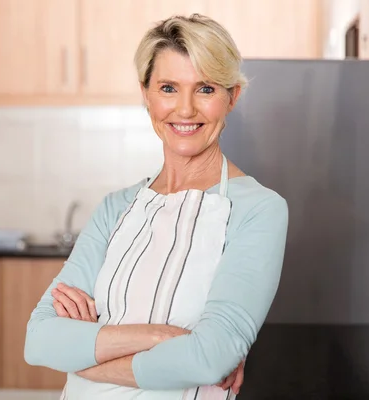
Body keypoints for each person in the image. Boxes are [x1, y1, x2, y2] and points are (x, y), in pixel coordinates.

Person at [24, 13, 289, 399]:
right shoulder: (115, 209)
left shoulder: (259, 211)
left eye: (205, 89)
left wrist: (85, 352)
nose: (184, 110)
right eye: (168, 87)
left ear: (232, 96)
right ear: (146, 94)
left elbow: (208, 360)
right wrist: (161, 337)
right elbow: (40, 340)